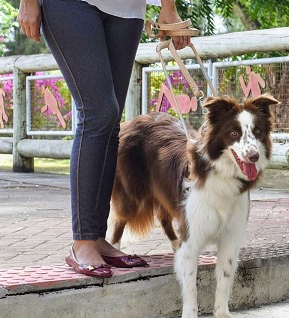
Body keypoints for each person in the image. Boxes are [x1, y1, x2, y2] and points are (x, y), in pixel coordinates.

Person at [18, 0, 190, 277]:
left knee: (110, 122)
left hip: (128, 8)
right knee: (98, 112)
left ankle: (97, 237)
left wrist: (168, 6)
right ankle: (83, 241)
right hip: (71, 5)